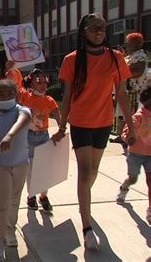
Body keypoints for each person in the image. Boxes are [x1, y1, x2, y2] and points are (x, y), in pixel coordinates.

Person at [53, 13, 136, 250]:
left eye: (102, 28)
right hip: (80, 122)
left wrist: (130, 124)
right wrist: (61, 125)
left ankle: (83, 201)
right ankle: (86, 225)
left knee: (94, 171)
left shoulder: (116, 57)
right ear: (83, 31)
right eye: (94, 28)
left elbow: (121, 93)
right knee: (85, 170)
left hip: (103, 122)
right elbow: (66, 96)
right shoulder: (71, 60)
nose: (99, 32)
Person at [0, 79, 31, 261]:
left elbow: (23, 121)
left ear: (15, 94)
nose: (5, 96)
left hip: (20, 163)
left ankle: (10, 230)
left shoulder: (22, 110)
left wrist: (9, 136)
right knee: (2, 204)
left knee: (15, 200)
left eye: (9, 93)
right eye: (1, 94)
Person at [18, 69, 61, 213]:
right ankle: (31, 196)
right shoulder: (25, 96)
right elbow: (16, 85)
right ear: (31, 84)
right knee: (30, 169)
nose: (42, 85)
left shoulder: (49, 100)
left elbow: (57, 114)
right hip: (28, 136)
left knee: (43, 168)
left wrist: (61, 129)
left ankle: (43, 196)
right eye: (38, 82)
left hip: (43, 136)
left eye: (44, 82)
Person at [115, 85, 151, 224]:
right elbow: (127, 131)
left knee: (150, 182)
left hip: (150, 155)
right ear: (147, 101)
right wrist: (128, 137)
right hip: (136, 153)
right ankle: (124, 187)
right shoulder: (139, 116)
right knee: (133, 178)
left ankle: (150, 211)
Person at [111, 33, 148, 146]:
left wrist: (123, 72)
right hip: (125, 90)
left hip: (134, 91)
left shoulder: (140, 56)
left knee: (132, 115)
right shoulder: (129, 56)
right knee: (122, 114)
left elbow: (138, 72)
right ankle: (122, 136)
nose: (125, 45)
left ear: (136, 43)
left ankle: (132, 137)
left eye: (128, 43)